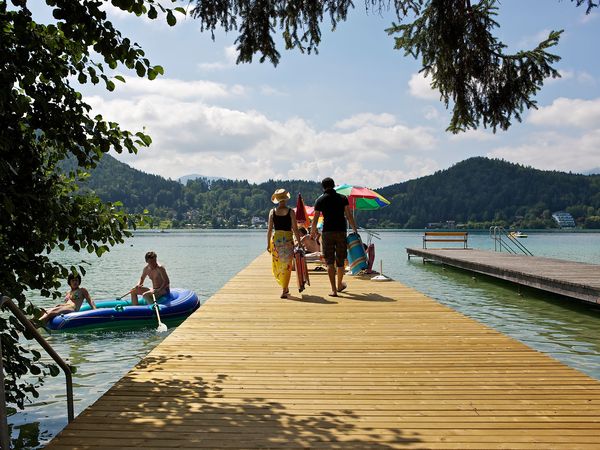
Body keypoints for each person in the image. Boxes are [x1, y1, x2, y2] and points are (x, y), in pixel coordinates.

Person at [310, 177, 358, 297]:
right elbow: (348, 216)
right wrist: (354, 229)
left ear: (323, 187)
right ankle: (340, 284)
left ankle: (334, 290)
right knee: (340, 260)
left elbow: (315, 219)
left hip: (327, 233)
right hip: (341, 231)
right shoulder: (342, 198)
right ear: (334, 185)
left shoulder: (320, 200)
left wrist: (312, 232)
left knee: (329, 261)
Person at [267, 188, 302, 298]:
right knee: (287, 265)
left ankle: (284, 288)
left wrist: (268, 244)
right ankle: (284, 288)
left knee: (278, 264)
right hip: (287, 240)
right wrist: (299, 242)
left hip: (276, 240)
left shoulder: (272, 212)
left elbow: (269, 230)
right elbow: (295, 229)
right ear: (286, 199)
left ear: (277, 199)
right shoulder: (291, 212)